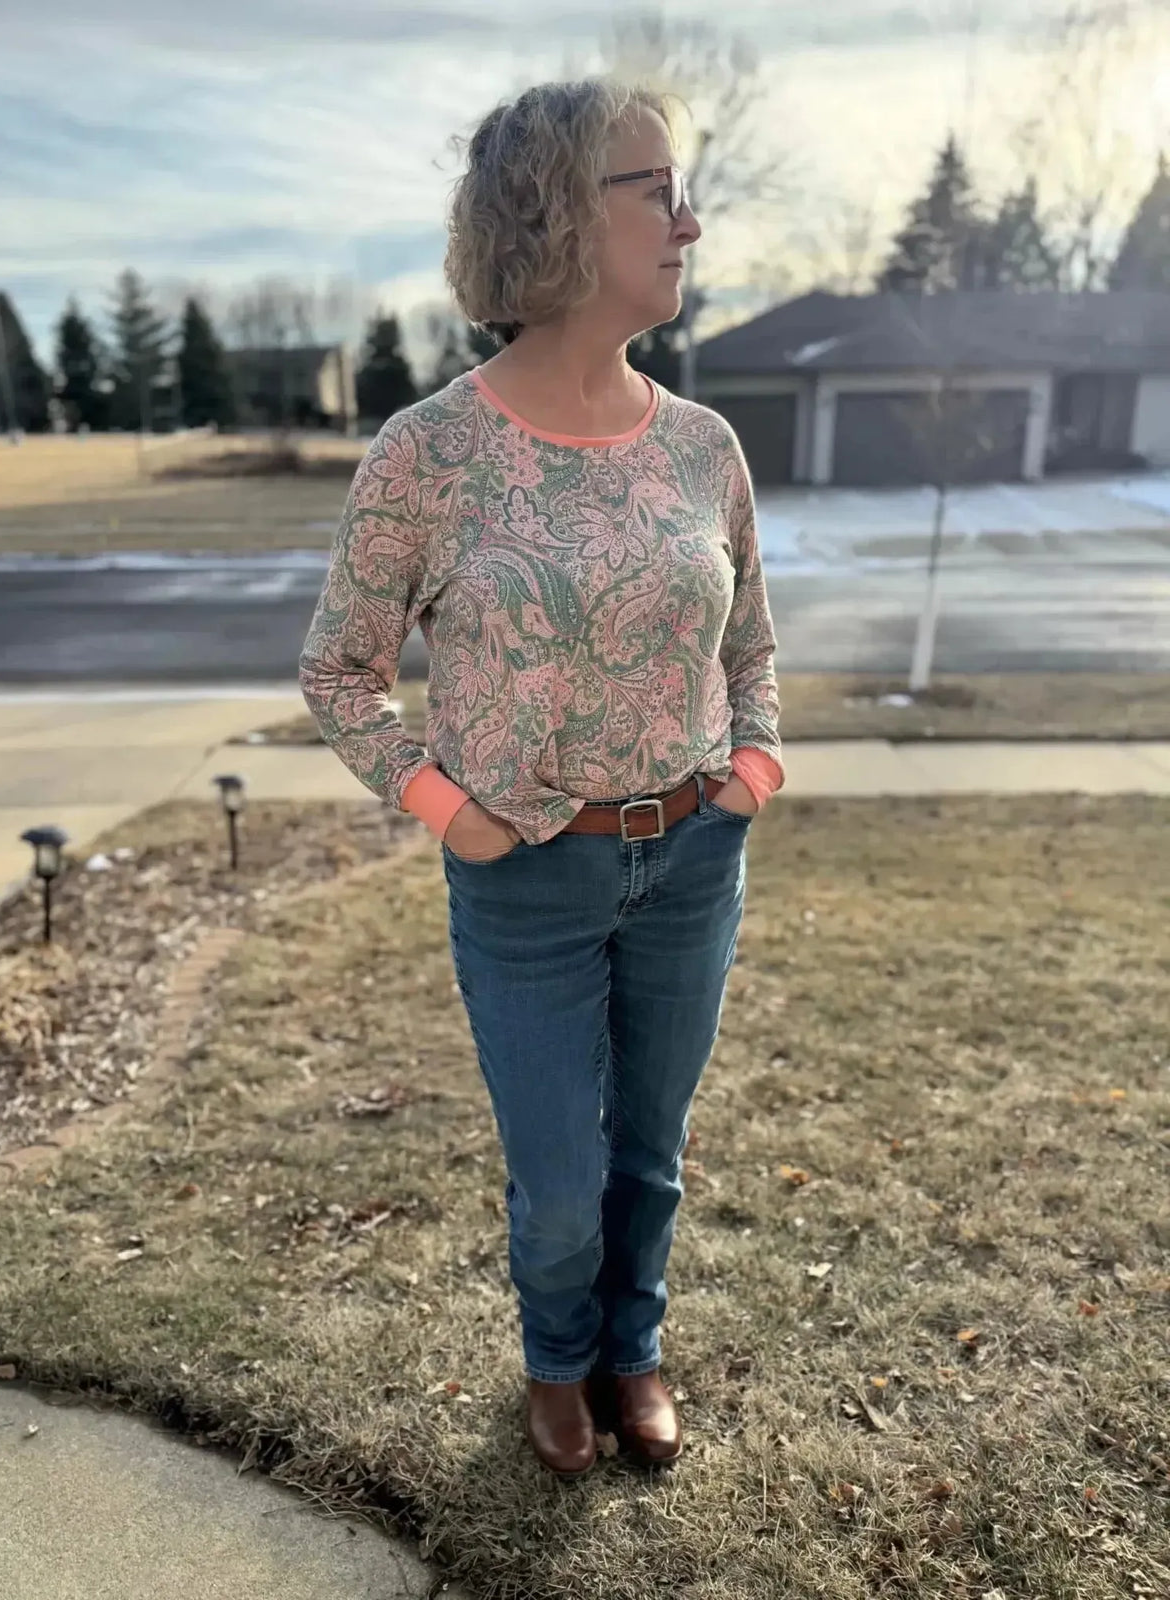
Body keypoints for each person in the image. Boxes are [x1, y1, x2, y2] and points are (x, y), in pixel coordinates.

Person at [298, 78, 784, 1478]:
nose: (688, 221)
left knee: (652, 1153)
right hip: (528, 879)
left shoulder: (704, 446)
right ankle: (555, 1361)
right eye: (656, 190)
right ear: (558, 212)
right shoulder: (430, 453)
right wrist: (447, 806)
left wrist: (752, 761)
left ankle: (633, 1354)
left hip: (694, 856)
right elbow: (340, 673)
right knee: (562, 1183)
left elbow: (751, 640)